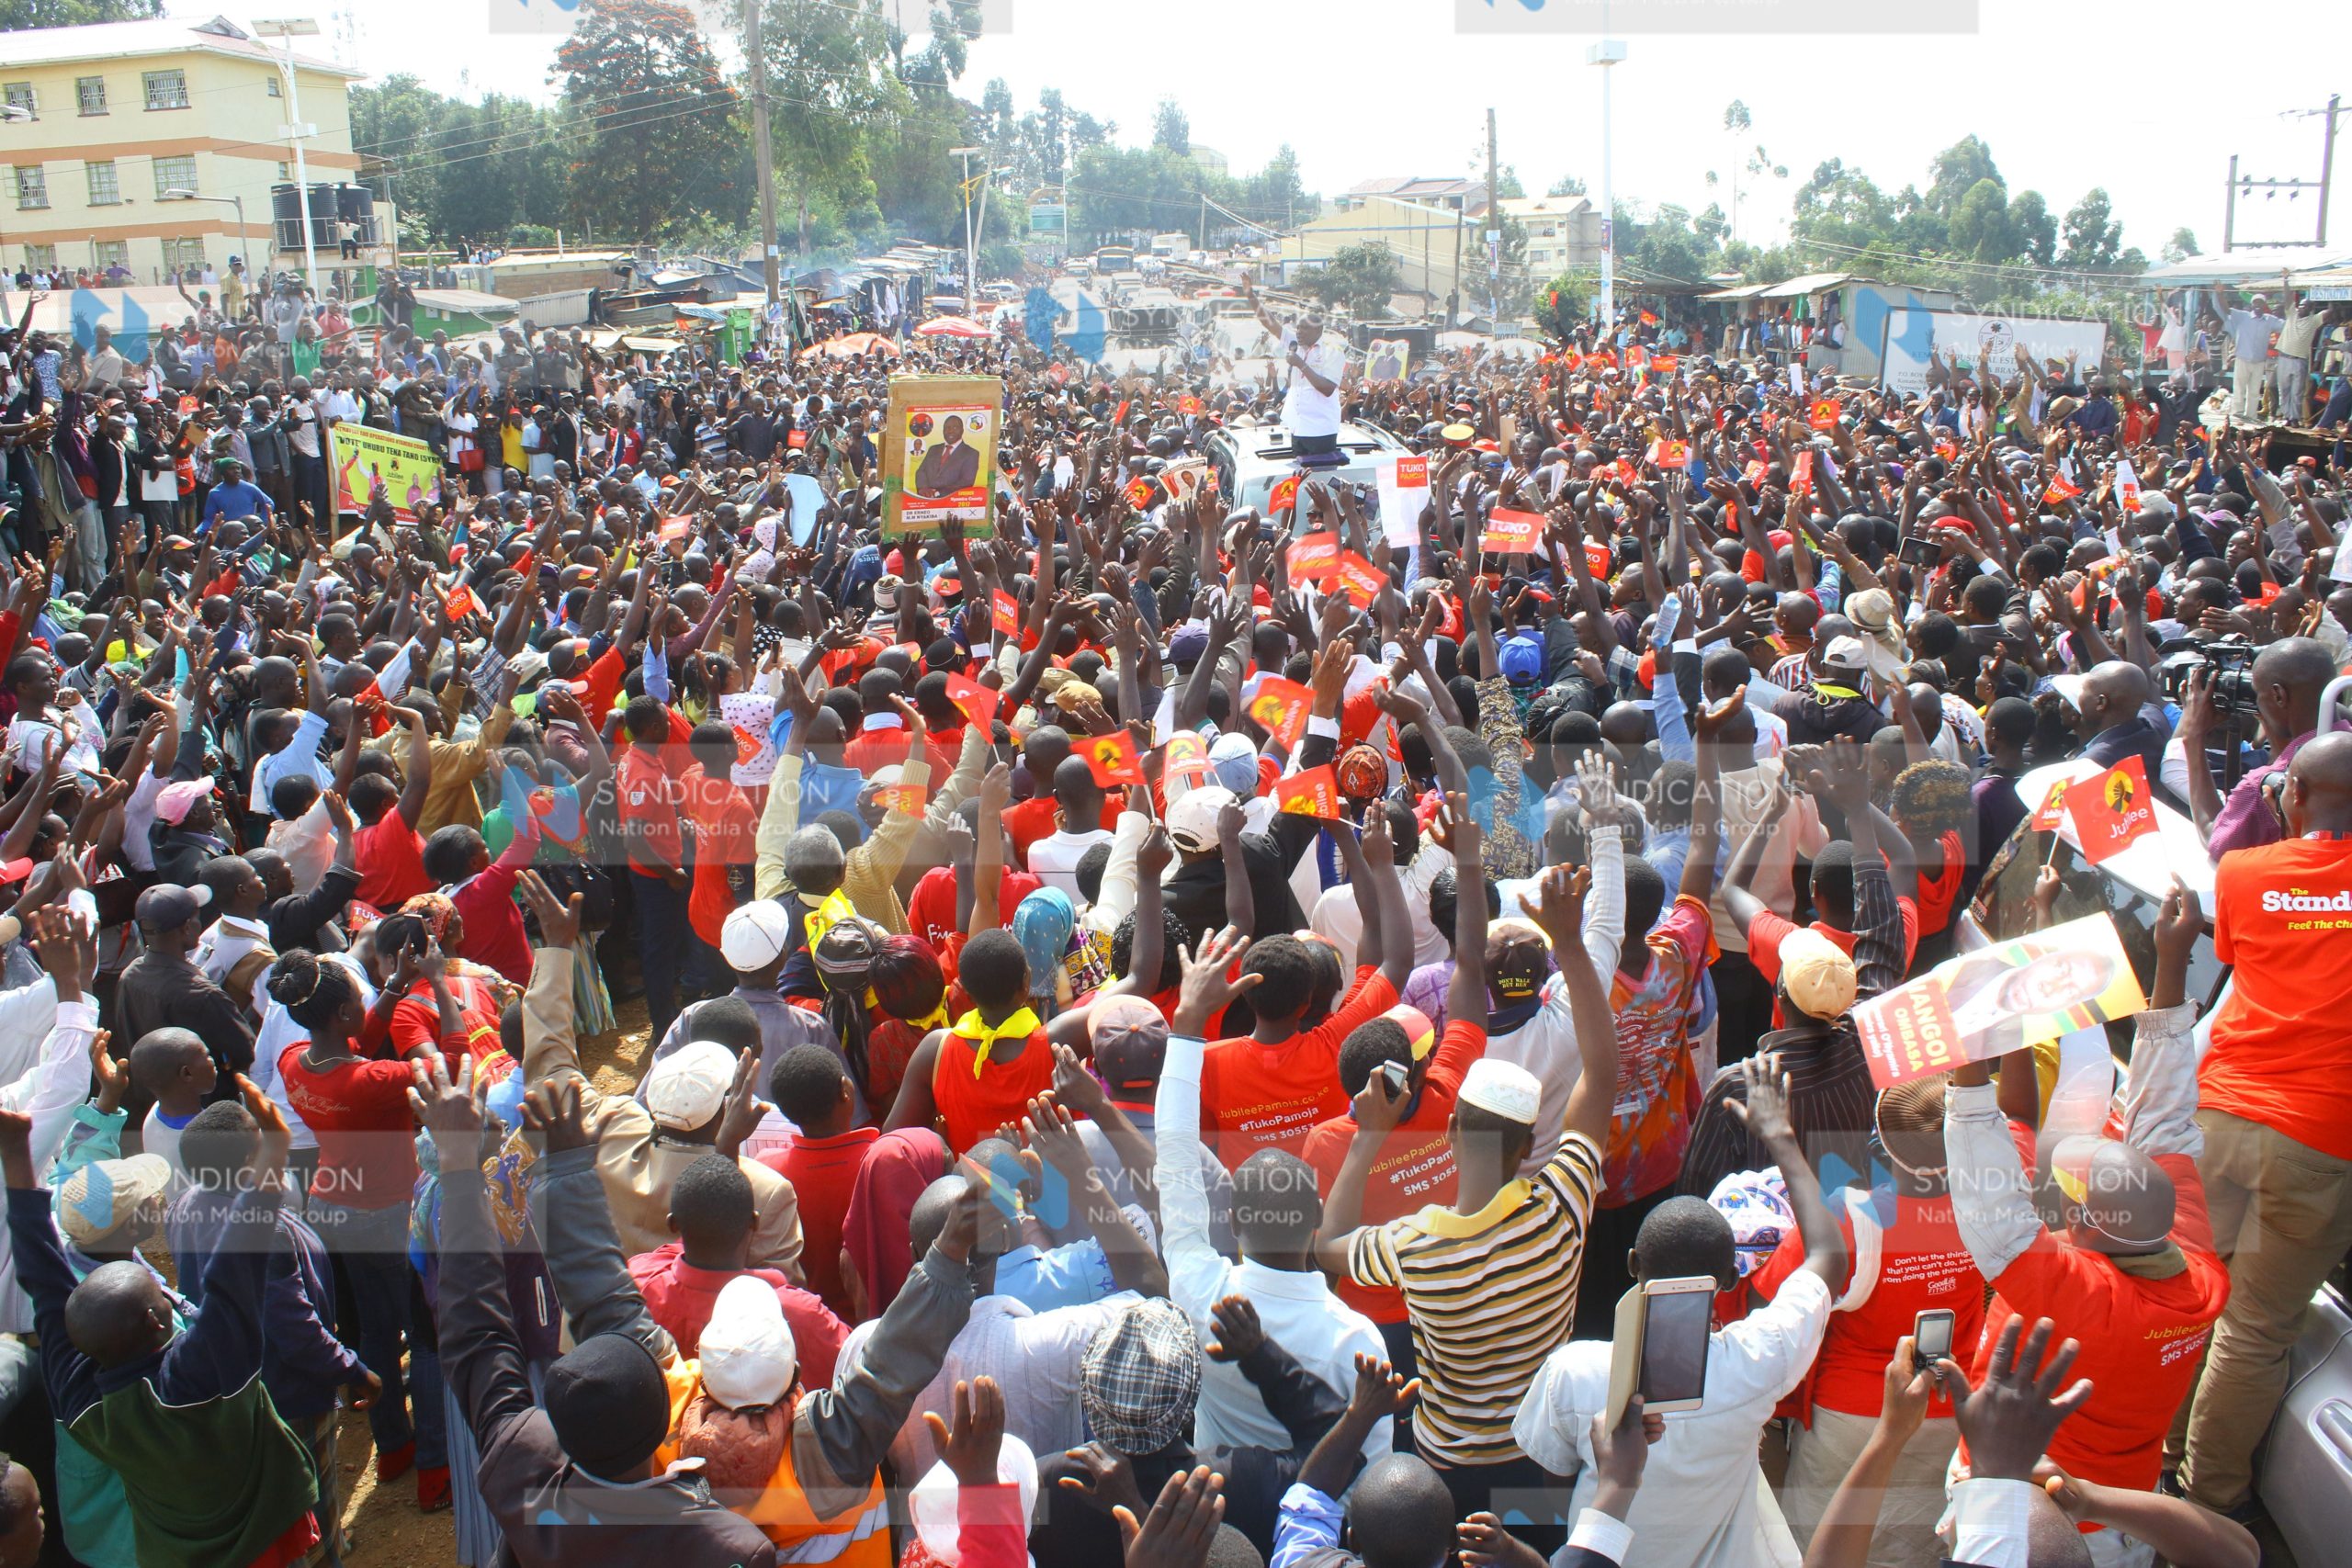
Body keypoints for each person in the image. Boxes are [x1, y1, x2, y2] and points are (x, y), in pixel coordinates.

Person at [1942, 882, 2230, 1561]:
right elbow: (2165, 1118)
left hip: (2031, 1516)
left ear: (2085, 1224)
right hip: (2121, 1521)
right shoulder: (2198, 1267)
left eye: (2068, 1197)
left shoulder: (2088, 1297)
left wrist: (1966, 1061)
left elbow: (1997, 1218)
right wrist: (2170, 959)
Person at [1514, 1055, 1849, 1568]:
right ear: (1731, 1280)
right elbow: (1828, 1256)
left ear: (1632, 1265)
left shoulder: (1573, 1373)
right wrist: (1780, 1137)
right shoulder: (1759, 1361)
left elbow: (1556, 1486)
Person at [2179, 731, 2352, 1518]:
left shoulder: (2244, 873)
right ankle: (2211, 1495)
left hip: (2222, 1113)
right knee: (2255, 1328)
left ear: (2296, 798)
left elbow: (2241, 959)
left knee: (2189, 1292)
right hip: (2323, 1134)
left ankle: (2156, 1444)